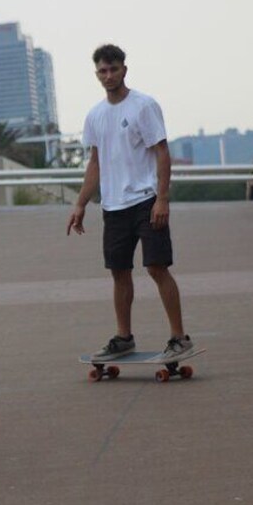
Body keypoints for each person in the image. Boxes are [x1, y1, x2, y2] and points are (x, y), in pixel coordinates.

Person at [66, 44, 193, 362]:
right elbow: (95, 162)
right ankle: (124, 338)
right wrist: (81, 203)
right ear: (96, 74)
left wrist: (162, 199)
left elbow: (162, 152)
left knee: (156, 267)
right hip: (113, 205)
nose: (109, 76)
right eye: (102, 71)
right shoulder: (95, 115)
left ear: (124, 69)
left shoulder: (143, 106)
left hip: (146, 200)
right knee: (119, 271)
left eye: (114, 69)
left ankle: (179, 337)